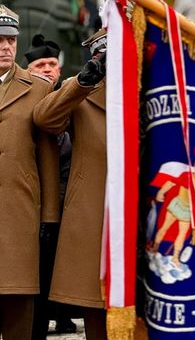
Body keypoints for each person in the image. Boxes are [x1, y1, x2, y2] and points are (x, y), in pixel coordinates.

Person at [33, 29, 108, 340]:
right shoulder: (82, 90)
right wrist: (83, 81)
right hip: (93, 213)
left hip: (138, 209)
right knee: (96, 310)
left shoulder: (148, 87)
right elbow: (45, 119)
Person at [0, 5, 59, 340]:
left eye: (10, 39)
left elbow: (48, 156)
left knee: (19, 307)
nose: (6, 46)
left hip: (20, 215)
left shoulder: (37, 89)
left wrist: (49, 217)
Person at [24, 35, 79, 339]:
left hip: (66, 198)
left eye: (52, 64)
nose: (47, 69)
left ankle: (64, 316)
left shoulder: (74, 96)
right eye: (39, 65)